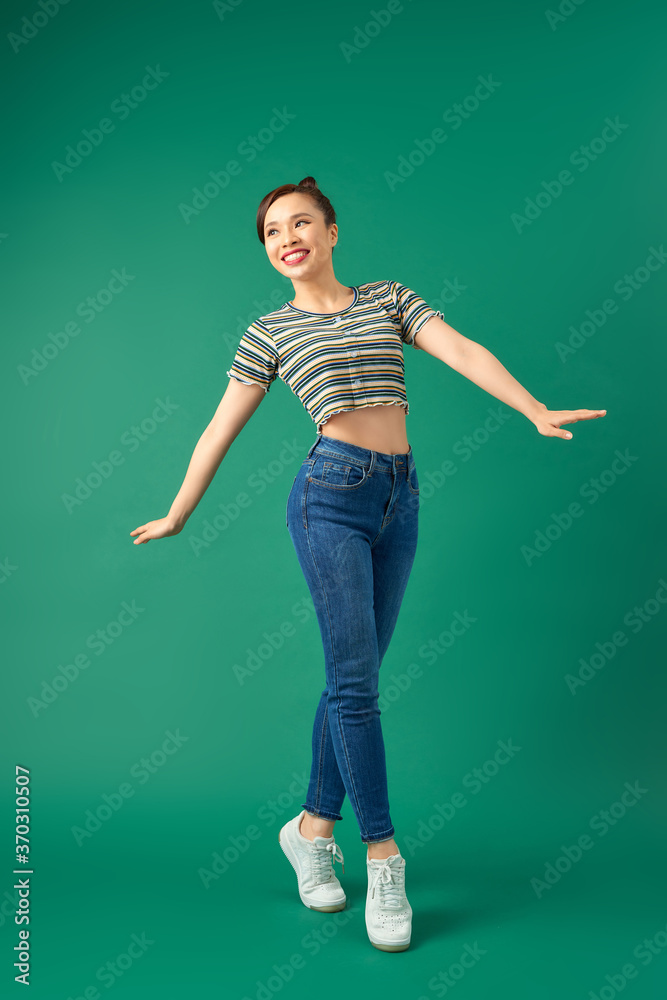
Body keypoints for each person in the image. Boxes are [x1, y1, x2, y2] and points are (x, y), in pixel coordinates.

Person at [130, 176, 606, 952]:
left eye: (303, 223)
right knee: (355, 685)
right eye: (274, 231)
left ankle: (311, 829)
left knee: (356, 679)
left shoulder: (387, 297)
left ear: (332, 232)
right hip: (328, 498)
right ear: (267, 251)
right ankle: (382, 855)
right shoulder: (269, 332)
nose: (289, 237)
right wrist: (181, 510)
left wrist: (530, 406)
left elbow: (458, 348)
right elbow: (218, 429)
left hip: (400, 497)